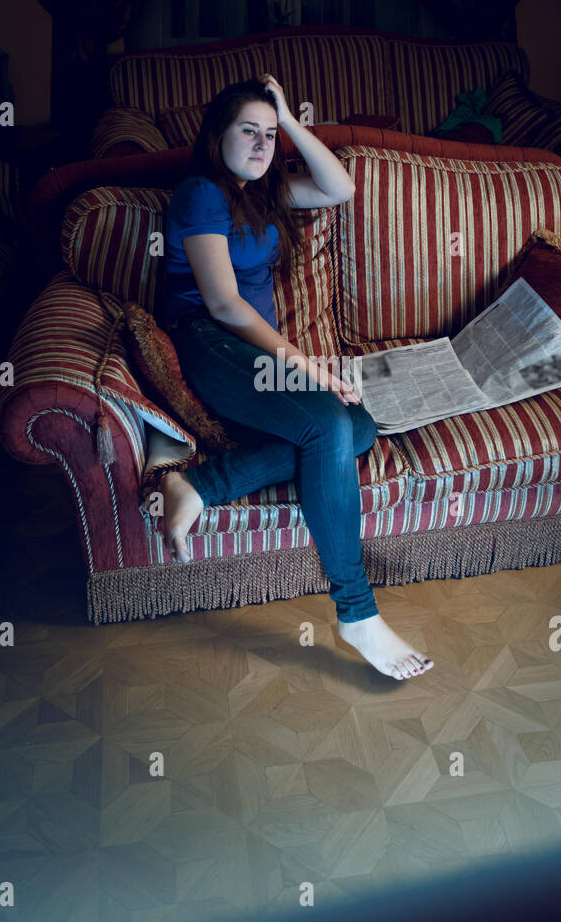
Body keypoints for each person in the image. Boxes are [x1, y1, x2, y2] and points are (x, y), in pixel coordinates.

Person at [157, 74, 432, 682]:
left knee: (357, 428)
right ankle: (356, 611)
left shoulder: (265, 191)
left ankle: (202, 486)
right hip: (207, 342)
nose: (261, 143)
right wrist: (310, 366)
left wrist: (287, 117)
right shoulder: (201, 193)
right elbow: (225, 305)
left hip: (250, 354)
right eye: (247, 131)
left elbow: (341, 186)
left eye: (269, 134)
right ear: (216, 135)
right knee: (332, 422)